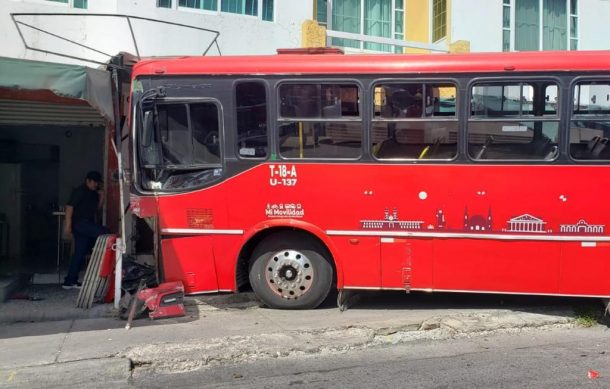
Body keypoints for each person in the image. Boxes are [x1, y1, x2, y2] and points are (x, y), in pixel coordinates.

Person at [62, 171, 108, 289]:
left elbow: (96, 209)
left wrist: (102, 197)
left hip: (87, 224)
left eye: (97, 183)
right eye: (94, 182)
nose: (96, 185)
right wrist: (67, 226)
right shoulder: (79, 191)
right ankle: (106, 267)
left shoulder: (93, 193)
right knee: (106, 233)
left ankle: (69, 281)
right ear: (88, 181)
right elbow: (69, 207)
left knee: (80, 253)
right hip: (80, 224)